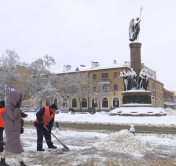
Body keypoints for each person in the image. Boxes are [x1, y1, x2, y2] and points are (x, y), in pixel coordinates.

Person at [0, 91, 26, 166]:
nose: (20, 101)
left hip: (15, 130)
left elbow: (17, 117)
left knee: (9, 145)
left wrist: (21, 115)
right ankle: (21, 163)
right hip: (10, 130)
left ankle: (2, 160)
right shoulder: (8, 107)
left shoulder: (15, 107)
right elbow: (13, 117)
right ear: (14, 99)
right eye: (18, 99)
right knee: (15, 145)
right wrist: (18, 109)